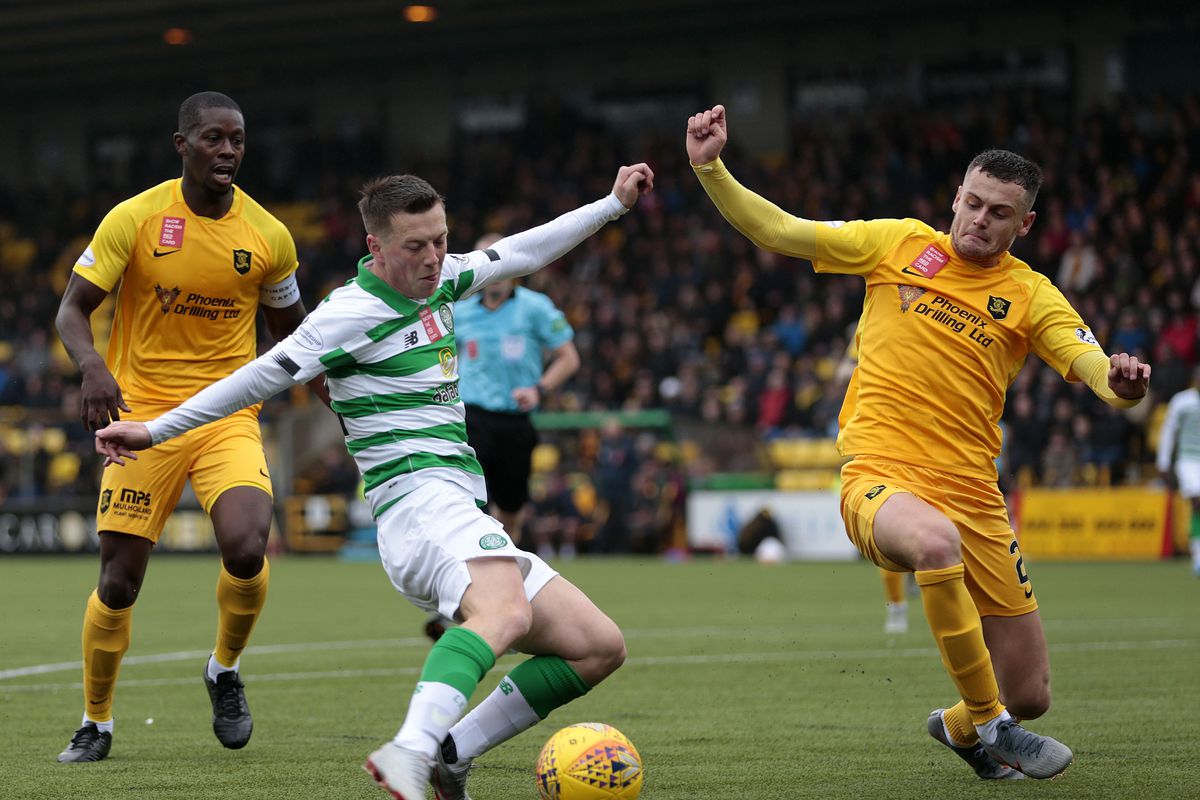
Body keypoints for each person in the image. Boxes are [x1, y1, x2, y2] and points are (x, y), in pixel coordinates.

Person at [93, 162, 655, 799]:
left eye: (441, 239)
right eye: (415, 245)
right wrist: (152, 430)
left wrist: (611, 204)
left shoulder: (444, 279)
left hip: (450, 503)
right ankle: (409, 751)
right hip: (418, 501)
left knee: (597, 646)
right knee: (503, 609)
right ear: (376, 247)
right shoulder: (347, 315)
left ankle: (450, 752)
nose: (433, 256)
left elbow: (521, 251)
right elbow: (255, 378)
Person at [686, 104, 1150, 780]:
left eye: (1000, 214)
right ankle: (990, 725)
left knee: (1032, 695)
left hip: (975, 498)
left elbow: (1094, 369)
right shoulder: (895, 243)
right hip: (881, 477)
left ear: (1026, 225)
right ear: (956, 197)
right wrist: (712, 170)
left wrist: (1125, 383)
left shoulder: (1031, 295)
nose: (980, 221)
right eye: (974, 203)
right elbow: (781, 230)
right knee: (935, 545)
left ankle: (963, 726)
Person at [53, 91, 322, 763]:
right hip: (140, 416)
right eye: (213, 139)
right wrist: (91, 365)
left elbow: (297, 333)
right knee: (118, 581)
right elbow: (72, 308)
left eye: (237, 140)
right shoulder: (137, 218)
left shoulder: (268, 236)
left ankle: (223, 670)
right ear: (183, 145)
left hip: (226, 413)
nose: (228, 150)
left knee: (246, 545)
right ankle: (96, 721)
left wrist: (336, 382)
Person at [456, 232, 581, 557]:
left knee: (511, 507)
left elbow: (569, 357)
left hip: (516, 420)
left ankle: (505, 561)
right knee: (471, 506)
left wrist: (539, 389)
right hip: (472, 419)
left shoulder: (535, 308)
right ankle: (478, 577)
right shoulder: (460, 313)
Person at [1156, 366, 1200, 576]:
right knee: (1197, 501)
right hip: (1189, 459)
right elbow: (1168, 431)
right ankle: (1198, 554)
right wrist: (1163, 462)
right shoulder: (1183, 402)